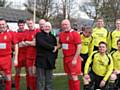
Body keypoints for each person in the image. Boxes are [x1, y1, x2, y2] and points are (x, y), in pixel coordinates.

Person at [58, 19, 82, 90]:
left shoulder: (75, 33)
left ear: (69, 24)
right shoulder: (61, 34)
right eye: (63, 25)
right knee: (69, 76)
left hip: (73, 58)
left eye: (66, 24)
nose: (64, 26)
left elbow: (79, 46)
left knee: (74, 76)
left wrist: (75, 59)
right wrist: (55, 47)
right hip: (66, 58)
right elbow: (60, 44)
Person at [35, 22, 58, 90]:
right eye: (46, 26)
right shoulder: (39, 35)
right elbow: (42, 43)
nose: (47, 28)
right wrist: (52, 48)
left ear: (51, 28)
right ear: (43, 27)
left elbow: (56, 48)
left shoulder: (53, 37)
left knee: (49, 80)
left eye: (48, 26)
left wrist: (55, 58)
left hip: (50, 61)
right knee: (40, 80)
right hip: (41, 61)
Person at [0, 18, 18, 90]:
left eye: (3, 24)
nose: (1, 26)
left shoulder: (11, 33)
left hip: (7, 58)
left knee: (8, 77)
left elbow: (16, 45)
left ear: (6, 24)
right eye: (0, 24)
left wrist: (16, 58)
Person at [24, 18, 39, 90]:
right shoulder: (26, 32)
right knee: (30, 74)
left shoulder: (37, 31)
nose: (29, 25)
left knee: (34, 74)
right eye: (28, 24)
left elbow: (36, 43)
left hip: (36, 56)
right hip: (28, 56)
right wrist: (30, 42)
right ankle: (31, 88)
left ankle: (36, 88)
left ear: (33, 23)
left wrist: (27, 42)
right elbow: (21, 44)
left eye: (30, 23)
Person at [14, 19, 29, 90]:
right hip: (19, 55)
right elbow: (15, 45)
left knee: (28, 72)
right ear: (18, 25)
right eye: (20, 25)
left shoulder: (27, 32)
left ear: (24, 25)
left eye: (22, 25)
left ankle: (28, 87)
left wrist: (25, 43)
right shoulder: (15, 33)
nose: (21, 26)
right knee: (17, 72)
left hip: (27, 55)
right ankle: (17, 87)